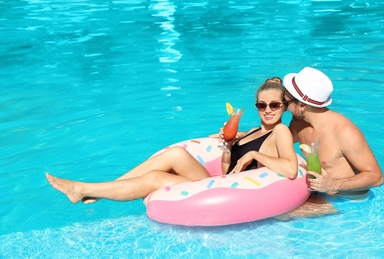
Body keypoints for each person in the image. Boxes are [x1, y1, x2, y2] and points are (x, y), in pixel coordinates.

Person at [46, 78, 298, 204]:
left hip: (233, 191)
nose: (267, 109)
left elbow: (290, 168)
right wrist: (228, 148)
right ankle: (105, 189)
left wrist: (254, 156)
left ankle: (83, 189)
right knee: (176, 153)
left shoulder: (281, 133)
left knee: (155, 178)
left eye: (274, 104)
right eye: (261, 104)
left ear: (284, 107)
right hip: (222, 180)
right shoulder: (253, 130)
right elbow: (227, 170)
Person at [282, 67, 384, 200]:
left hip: (348, 201)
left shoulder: (343, 131)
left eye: (286, 102)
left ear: (302, 105)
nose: (283, 107)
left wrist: (332, 184)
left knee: (282, 217)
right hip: (319, 194)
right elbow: (281, 142)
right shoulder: (298, 122)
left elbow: (377, 177)